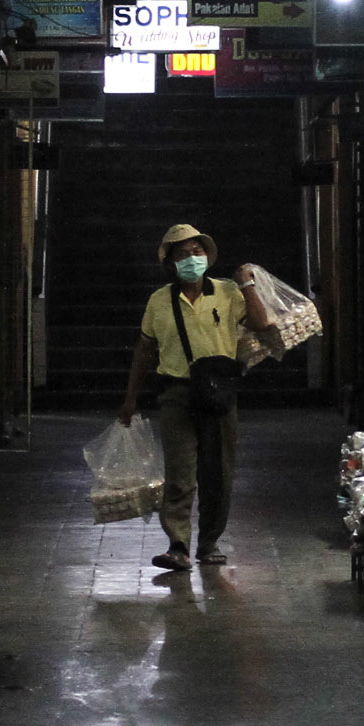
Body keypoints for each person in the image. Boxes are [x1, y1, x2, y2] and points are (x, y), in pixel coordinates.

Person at [116, 220, 277, 572]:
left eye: (197, 251)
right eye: (184, 254)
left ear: (208, 256)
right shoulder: (158, 302)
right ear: (171, 263)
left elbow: (263, 323)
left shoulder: (228, 293)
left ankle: (209, 541)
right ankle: (178, 544)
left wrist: (247, 283)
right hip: (175, 393)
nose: (192, 258)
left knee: (218, 471)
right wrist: (130, 399)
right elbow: (144, 351)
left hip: (219, 392)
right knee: (180, 473)